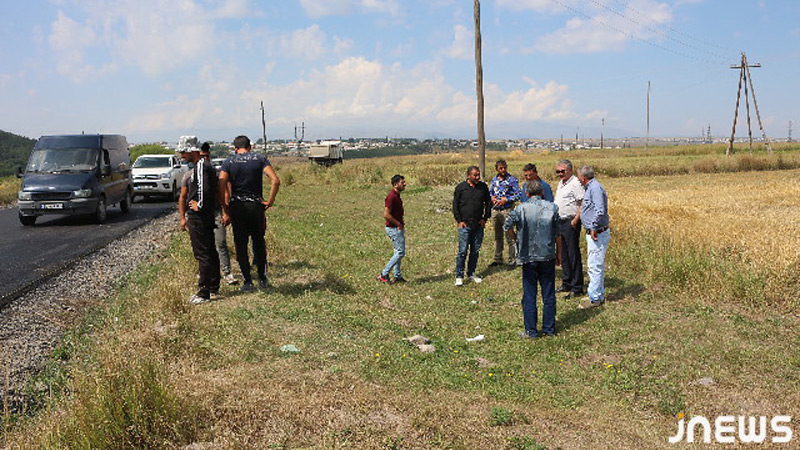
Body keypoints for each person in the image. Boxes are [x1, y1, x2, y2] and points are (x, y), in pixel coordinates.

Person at [219, 135, 280, 292]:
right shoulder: (259, 159)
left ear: (235, 148)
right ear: (250, 147)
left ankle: (247, 281)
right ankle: (262, 277)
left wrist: (225, 206)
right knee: (258, 241)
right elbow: (275, 180)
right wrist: (270, 201)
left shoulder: (229, 162)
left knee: (241, 244)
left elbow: (221, 183)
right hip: (255, 206)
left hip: (237, 206)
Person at [504, 180, 561, 338]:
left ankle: (531, 330)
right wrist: (559, 254)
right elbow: (558, 234)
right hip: (547, 255)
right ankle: (549, 329)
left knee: (529, 294)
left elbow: (507, 226)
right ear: (541, 192)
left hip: (528, 256)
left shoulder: (521, 209)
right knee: (548, 292)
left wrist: (516, 239)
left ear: (527, 193)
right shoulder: (552, 208)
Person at [178, 145, 221, 304]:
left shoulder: (201, 165)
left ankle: (204, 292)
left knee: (202, 253)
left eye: (184, 152)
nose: (182, 155)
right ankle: (213, 286)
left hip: (199, 217)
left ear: (193, 152)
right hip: (203, 215)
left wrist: (199, 205)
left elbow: (205, 189)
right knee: (209, 250)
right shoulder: (201, 165)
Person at [199, 142, 237, 285]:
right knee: (204, 246)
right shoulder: (192, 175)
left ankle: (227, 273)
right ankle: (206, 273)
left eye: (207, 156)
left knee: (220, 242)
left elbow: (225, 192)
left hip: (216, 212)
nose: (205, 159)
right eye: (202, 156)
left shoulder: (216, 174)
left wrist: (226, 212)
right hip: (201, 215)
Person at [577, 165, 610, 309]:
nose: (578, 179)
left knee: (594, 265)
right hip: (595, 231)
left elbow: (600, 210)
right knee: (595, 264)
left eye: (578, 176)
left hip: (597, 232)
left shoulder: (595, 188)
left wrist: (594, 227)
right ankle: (596, 292)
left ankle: (595, 298)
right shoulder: (591, 187)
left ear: (583, 177)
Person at [453, 166, 492, 286]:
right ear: (468, 175)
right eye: (475, 175)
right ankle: (459, 276)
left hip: (478, 225)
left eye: (478, 175)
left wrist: (485, 218)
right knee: (462, 251)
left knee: (475, 250)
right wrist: (459, 221)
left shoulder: (483, 187)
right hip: (465, 225)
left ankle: (471, 273)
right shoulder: (461, 188)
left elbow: (488, 203)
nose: (477, 177)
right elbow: (455, 206)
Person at [553, 159, 584, 299]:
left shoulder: (575, 183)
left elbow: (582, 202)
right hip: (560, 221)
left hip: (570, 222)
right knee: (564, 254)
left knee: (573, 254)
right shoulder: (561, 183)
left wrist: (576, 220)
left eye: (562, 171)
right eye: (557, 171)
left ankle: (577, 287)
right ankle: (567, 283)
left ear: (570, 170)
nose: (560, 174)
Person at [489, 159, 522, 267]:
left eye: (504, 168)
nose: (503, 170)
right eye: (501, 168)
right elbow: (490, 192)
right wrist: (491, 198)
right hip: (495, 210)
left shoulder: (512, 180)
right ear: (497, 169)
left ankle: (512, 259)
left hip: (506, 210)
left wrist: (507, 200)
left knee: (510, 235)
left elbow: (518, 194)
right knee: (498, 236)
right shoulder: (494, 180)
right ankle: (498, 258)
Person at [378, 174, 407, 284]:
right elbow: (386, 214)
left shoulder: (396, 196)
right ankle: (384, 274)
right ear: (395, 184)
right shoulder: (392, 196)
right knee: (400, 252)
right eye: (402, 182)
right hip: (394, 228)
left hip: (396, 227)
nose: (404, 184)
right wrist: (398, 224)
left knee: (397, 251)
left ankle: (397, 275)